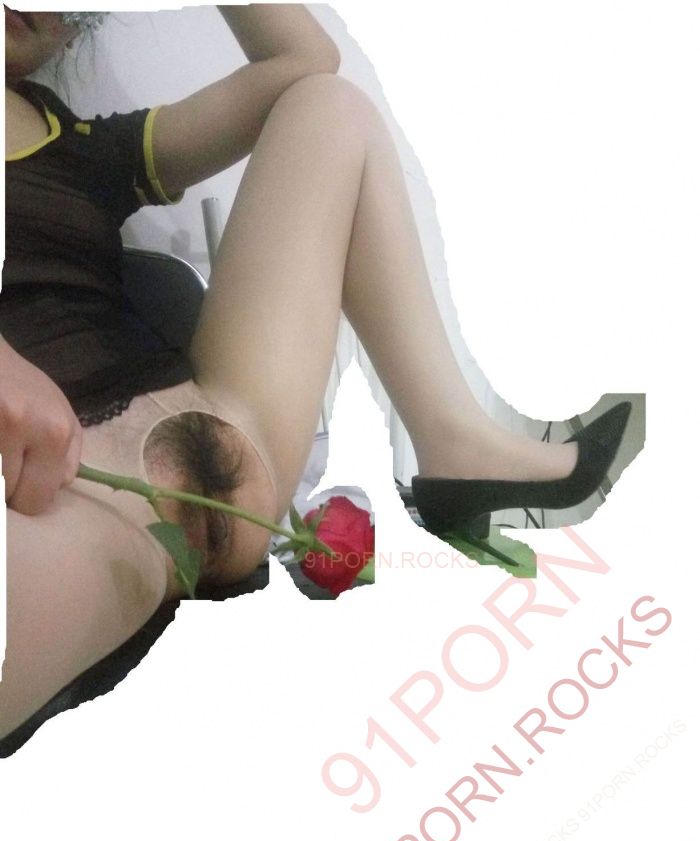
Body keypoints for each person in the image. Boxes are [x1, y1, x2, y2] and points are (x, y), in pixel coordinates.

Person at [1, 6, 633, 742]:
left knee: (328, 110)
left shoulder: (79, 140)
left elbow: (302, 63)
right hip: (79, 508)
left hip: (232, 431)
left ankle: (454, 442)